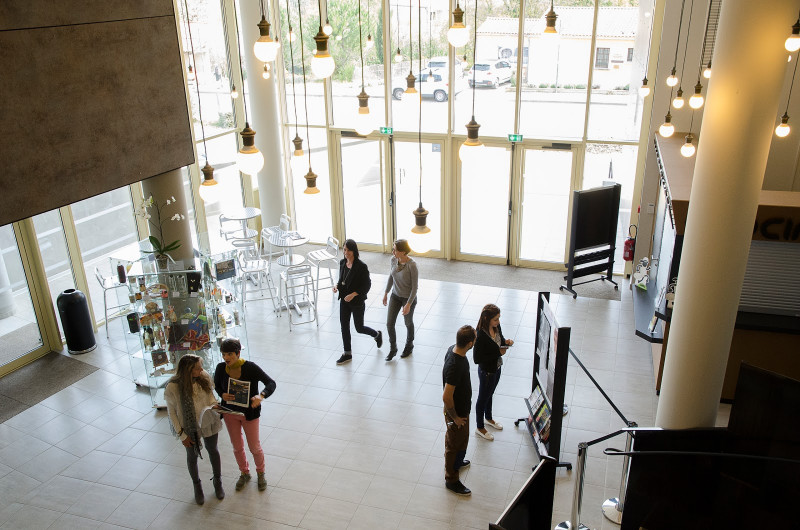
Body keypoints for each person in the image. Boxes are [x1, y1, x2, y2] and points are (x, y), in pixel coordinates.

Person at [214, 338, 276, 492]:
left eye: (230, 354)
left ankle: (260, 472)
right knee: (237, 447)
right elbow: (216, 385)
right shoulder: (221, 368)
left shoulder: (250, 368)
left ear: (238, 353)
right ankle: (244, 472)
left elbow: (271, 383)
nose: (226, 358)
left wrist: (261, 396)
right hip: (230, 412)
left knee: (254, 447)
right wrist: (222, 394)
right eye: (223, 354)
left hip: (249, 413)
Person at [164, 354, 225, 505]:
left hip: (207, 420)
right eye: (198, 368)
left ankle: (218, 481)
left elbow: (211, 396)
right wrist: (182, 435)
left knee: (213, 450)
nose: (201, 370)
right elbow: (171, 412)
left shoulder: (203, 376)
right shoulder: (173, 386)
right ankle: (197, 486)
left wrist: (215, 405)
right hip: (188, 427)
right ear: (188, 370)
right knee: (192, 456)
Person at [333, 239, 382, 365]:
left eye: (349, 250)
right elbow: (342, 280)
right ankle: (347, 353)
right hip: (344, 301)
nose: (346, 252)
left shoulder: (361, 267)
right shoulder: (342, 263)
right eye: (344, 249)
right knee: (344, 326)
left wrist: (353, 294)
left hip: (357, 302)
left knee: (359, 328)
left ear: (354, 251)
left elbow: (367, 285)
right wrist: (337, 286)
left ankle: (376, 334)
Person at [442, 325, 477, 496]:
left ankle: (458, 461)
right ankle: (451, 478)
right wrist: (455, 417)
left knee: (461, 440)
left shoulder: (453, 350)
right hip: (457, 412)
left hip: (462, 409)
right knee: (454, 443)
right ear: (470, 343)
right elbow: (447, 397)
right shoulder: (456, 365)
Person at [473, 304, 514, 441]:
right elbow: (477, 359)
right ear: (486, 318)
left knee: (490, 394)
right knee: (483, 398)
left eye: (499, 318)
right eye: (495, 319)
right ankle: (479, 427)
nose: (498, 322)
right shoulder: (480, 335)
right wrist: (498, 352)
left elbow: (500, 340)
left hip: (497, 367)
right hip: (486, 372)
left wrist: (506, 342)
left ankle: (488, 418)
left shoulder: (497, 327)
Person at [382, 239, 419, 361]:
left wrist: (408, 304)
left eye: (395, 250)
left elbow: (415, 288)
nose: (393, 251)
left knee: (408, 322)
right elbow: (391, 277)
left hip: (408, 298)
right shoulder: (393, 260)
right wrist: (386, 293)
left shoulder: (412, 265)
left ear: (403, 252)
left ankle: (409, 345)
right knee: (389, 323)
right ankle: (393, 348)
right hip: (395, 296)